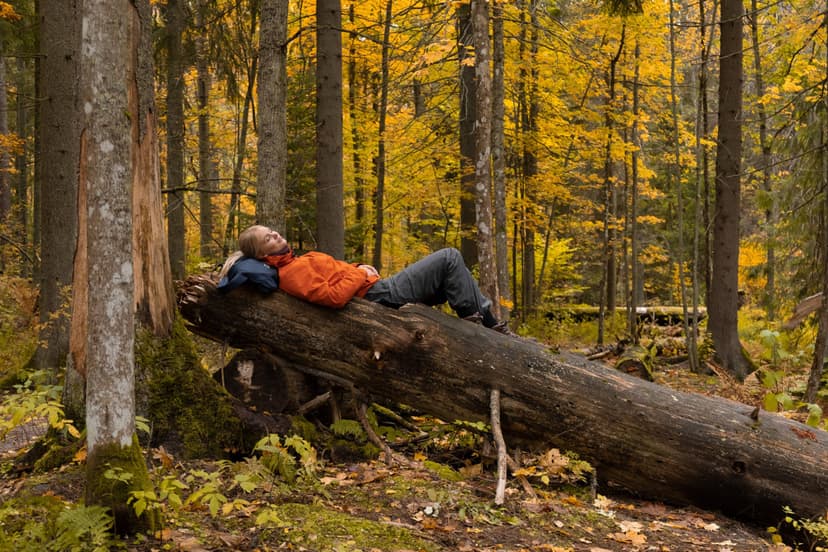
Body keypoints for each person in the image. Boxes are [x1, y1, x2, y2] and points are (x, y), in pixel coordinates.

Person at [219, 224, 516, 336]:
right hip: (378, 296)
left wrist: (360, 267)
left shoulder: (297, 262)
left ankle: (484, 321)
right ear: (261, 255)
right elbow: (333, 298)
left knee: (454, 275)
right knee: (450, 256)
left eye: (271, 231)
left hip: (375, 288)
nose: (274, 234)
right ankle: (482, 325)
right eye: (266, 239)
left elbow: (338, 275)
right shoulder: (290, 273)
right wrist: (361, 273)